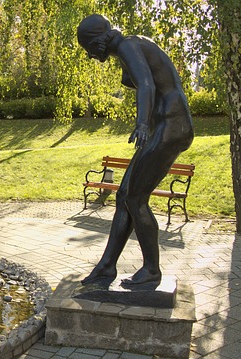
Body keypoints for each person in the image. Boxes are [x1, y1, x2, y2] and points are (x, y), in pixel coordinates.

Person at [77, 14, 194, 287]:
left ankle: (152, 269)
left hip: (170, 126)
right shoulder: (130, 47)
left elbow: (147, 84)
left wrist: (142, 124)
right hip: (165, 126)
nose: (91, 56)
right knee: (124, 197)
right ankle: (106, 267)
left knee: (136, 198)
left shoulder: (129, 45)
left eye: (88, 49)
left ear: (97, 41)